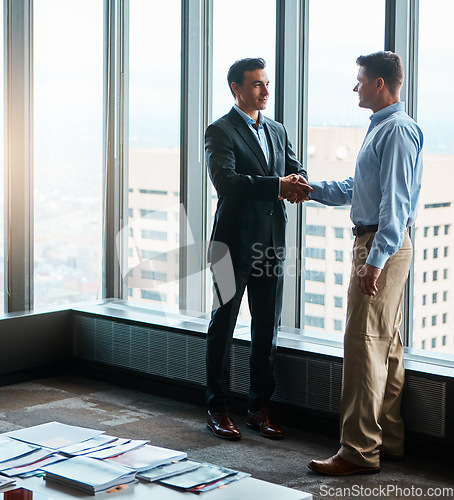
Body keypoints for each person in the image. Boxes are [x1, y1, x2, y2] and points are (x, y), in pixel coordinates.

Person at [308, 51, 423, 475]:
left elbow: (395, 206)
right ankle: (387, 440)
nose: (354, 87)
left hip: (382, 245)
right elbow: (358, 188)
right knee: (385, 346)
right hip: (383, 243)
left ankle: (358, 451)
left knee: (363, 346)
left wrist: (374, 261)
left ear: (379, 84)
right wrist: (313, 190)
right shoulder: (384, 129)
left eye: (359, 80)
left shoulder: (395, 131)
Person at [205, 57, 312, 440]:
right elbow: (227, 182)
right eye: (256, 85)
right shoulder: (219, 130)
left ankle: (258, 407)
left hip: (271, 244)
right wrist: (278, 186)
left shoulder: (278, 130)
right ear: (236, 88)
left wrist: (299, 183)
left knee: (267, 328)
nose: (265, 91)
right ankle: (218, 408)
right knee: (223, 326)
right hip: (229, 245)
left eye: (266, 84)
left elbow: (293, 170)